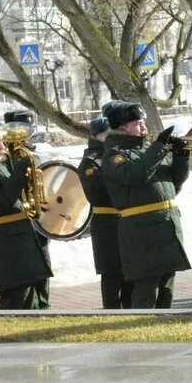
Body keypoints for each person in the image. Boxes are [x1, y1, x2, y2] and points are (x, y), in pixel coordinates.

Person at [101, 102, 192, 308]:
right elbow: (136, 174)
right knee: (147, 286)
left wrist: (180, 156)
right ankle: (141, 329)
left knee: (167, 283)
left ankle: (162, 328)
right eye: (138, 123)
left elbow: (174, 183)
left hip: (167, 223)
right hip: (141, 230)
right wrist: (159, 147)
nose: (144, 128)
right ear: (122, 127)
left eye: (143, 123)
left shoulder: (148, 150)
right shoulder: (114, 156)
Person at [0, 120, 52, 309]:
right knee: (17, 298)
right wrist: (20, 172)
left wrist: (30, 162)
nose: (3, 146)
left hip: (25, 240)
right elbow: (0, 203)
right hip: (6, 246)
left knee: (36, 297)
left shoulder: (2, 164)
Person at [78, 112, 130, 308]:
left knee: (129, 274)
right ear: (96, 136)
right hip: (106, 223)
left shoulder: (118, 154)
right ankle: (111, 313)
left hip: (124, 220)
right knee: (112, 275)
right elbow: (99, 193)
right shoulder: (91, 162)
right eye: (109, 134)